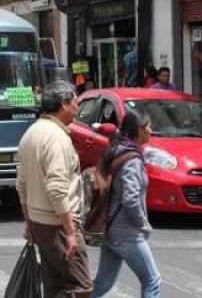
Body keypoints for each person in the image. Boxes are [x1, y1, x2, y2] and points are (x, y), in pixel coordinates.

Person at [16, 80, 91, 297]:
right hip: (57, 223)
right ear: (64, 104)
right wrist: (70, 232)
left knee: (54, 285)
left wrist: (30, 222)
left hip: (40, 223)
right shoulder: (56, 138)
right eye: (75, 103)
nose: (77, 108)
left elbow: (22, 184)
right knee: (80, 286)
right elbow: (57, 189)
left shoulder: (31, 133)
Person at [92, 110, 160, 298]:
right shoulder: (132, 161)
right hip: (127, 233)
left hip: (111, 229)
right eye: (148, 127)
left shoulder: (116, 150)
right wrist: (142, 224)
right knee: (152, 281)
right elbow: (130, 199)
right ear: (139, 131)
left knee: (103, 283)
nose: (151, 131)